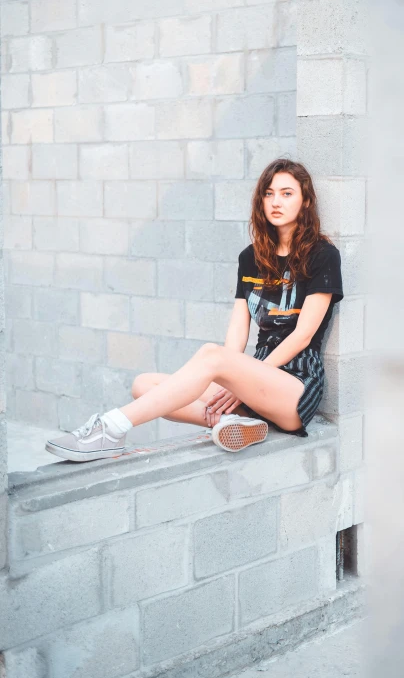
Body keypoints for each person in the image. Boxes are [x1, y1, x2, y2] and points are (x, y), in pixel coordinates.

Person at [45, 159, 344, 462]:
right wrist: (232, 378)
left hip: (295, 385)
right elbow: (237, 333)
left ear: (305, 201)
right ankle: (235, 423)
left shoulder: (322, 255)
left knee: (212, 356)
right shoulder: (251, 258)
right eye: (269, 194)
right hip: (255, 380)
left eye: (287, 193)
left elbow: (303, 336)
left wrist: (237, 380)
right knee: (144, 385)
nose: (276, 202)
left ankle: (111, 428)